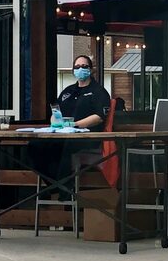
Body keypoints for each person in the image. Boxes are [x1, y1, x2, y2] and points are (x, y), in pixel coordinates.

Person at [29, 54, 110, 192]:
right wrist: (55, 123)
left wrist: (76, 124)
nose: (80, 69)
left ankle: (64, 189)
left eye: (84, 66)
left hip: (87, 136)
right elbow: (55, 111)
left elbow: (99, 116)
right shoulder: (68, 91)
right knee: (35, 146)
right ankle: (53, 184)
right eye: (77, 67)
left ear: (91, 69)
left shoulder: (98, 91)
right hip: (61, 133)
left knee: (66, 146)